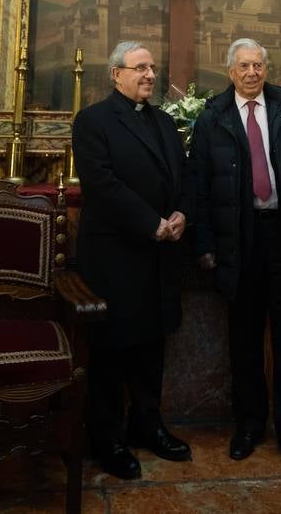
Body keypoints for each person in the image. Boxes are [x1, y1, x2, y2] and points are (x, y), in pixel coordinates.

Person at [190, 38, 281, 477]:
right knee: (245, 341)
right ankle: (249, 426)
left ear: (266, 69)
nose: (252, 72)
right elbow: (198, 187)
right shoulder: (212, 116)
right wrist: (205, 245)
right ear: (229, 71)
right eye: (244, 66)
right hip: (240, 239)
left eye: (258, 65)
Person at [72, 40, 191, 479]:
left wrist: (181, 213)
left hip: (159, 257)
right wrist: (151, 222)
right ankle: (105, 437)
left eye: (153, 68)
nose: (149, 75)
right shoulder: (93, 121)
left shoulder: (163, 121)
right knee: (112, 351)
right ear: (116, 74)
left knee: (150, 346)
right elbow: (102, 186)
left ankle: (147, 425)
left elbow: (183, 175)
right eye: (140, 68)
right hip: (115, 257)